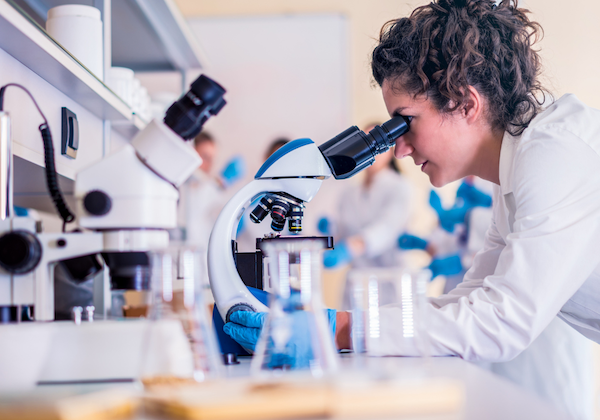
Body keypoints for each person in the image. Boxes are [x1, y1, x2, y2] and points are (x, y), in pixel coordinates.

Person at [321, 123, 414, 269]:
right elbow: (343, 232)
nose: (371, 149)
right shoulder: (349, 193)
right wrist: (330, 229)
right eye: (364, 144)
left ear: (390, 150)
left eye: (377, 143)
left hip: (389, 277)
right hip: (357, 278)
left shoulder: (399, 187)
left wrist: (351, 248)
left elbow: (386, 228)